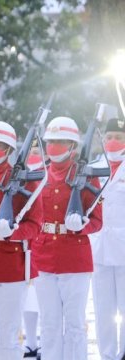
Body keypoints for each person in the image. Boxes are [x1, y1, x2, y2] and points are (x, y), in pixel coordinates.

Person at [32, 116, 103, 360]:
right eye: (51, 141)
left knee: (74, 324)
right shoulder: (38, 175)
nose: (54, 146)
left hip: (74, 257)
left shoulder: (86, 175)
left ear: (73, 145)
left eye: (61, 141)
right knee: (49, 324)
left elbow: (97, 221)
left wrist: (82, 224)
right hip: (43, 256)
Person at [0, 121, 43, 360]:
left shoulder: (24, 180)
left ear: (9, 150)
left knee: (8, 336)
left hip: (10, 264)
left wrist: (12, 232)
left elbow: (35, 225)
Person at [91, 118, 125, 360]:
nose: (112, 141)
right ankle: (107, 355)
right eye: (109, 136)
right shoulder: (95, 167)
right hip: (99, 248)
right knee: (103, 309)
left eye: (119, 137)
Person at [23, 139, 46, 358]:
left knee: (44, 299)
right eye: (30, 150)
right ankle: (30, 343)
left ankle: (45, 342)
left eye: (38, 150)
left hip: (45, 242)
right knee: (28, 298)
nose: (33, 154)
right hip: (26, 244)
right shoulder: (20, 175)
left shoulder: (48, 175)